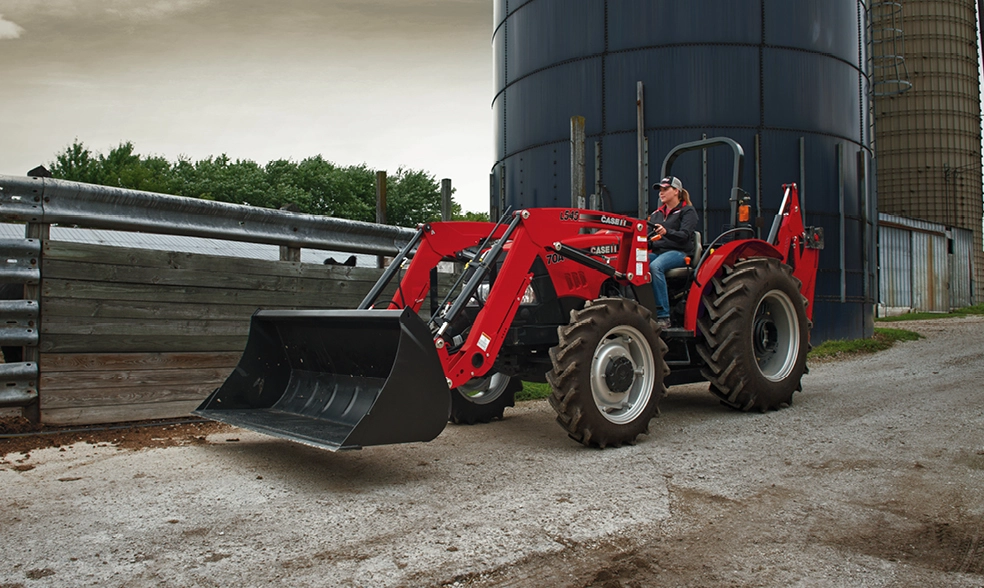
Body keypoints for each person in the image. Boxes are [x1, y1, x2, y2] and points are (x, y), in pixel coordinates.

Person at [648, 176, 698, 328]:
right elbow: (649, 237)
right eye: (660, 190)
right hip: (658, 251)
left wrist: (666, 232)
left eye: (665, 189)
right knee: (636, 263)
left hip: (678, 252)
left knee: (655, 267)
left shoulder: (687, 211)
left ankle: (663, 316)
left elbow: (685, 236)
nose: (661, 193)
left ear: (676, 191)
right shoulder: (656, 214)